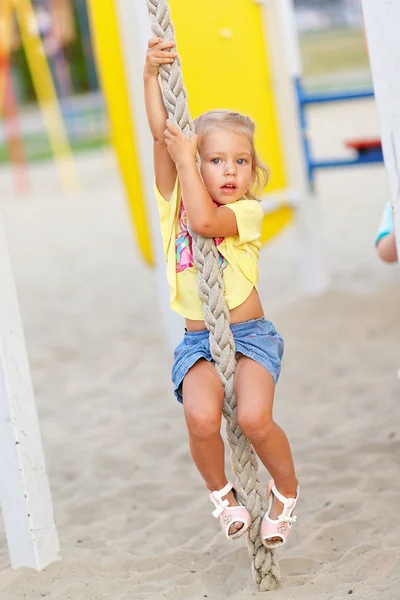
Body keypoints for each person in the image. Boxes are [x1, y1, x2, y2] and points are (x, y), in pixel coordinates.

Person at [143, 37, 299, 548]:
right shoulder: (174, 204)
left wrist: (188, 161)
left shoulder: (247, 213)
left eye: (241, 161)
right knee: (201, 418)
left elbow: (207, 223)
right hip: (198, 343)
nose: (230, 171)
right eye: (214, 160)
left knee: (254, 419)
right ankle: (222, 495)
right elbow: (159, 132)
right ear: (196, 161)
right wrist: (150, 76)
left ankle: (286, 491)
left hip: (250, 336)